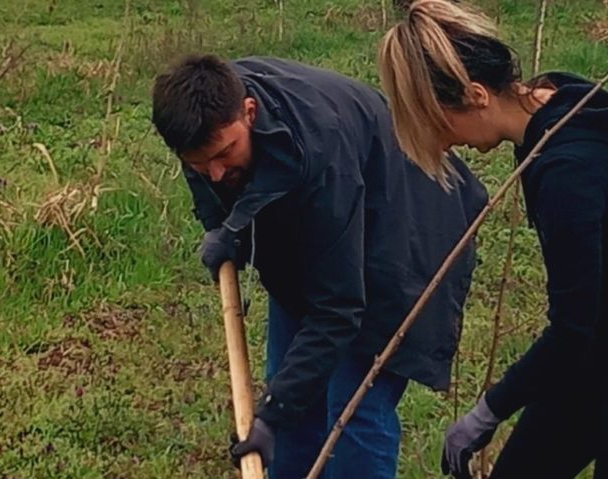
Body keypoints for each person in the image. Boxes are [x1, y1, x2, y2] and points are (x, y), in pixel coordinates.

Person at [377, 1, 608, 478]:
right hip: (603, 345)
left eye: (439, 123)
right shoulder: (554, 97)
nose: (443, 142)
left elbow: (572, 327)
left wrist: (487, 411)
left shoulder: (566, 171)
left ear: (476, 94)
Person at [151, 54, 488, 478]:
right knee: (291, 398)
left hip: (404, 240)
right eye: (199, 164)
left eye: (224, 153)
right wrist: (225, 227)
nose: (214, 173)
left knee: (354, 411)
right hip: (324, 237)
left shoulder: (321, 151)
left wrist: (271, 415)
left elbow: (338, 308)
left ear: (250, 112)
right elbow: (211, 169)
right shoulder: (203, 113)